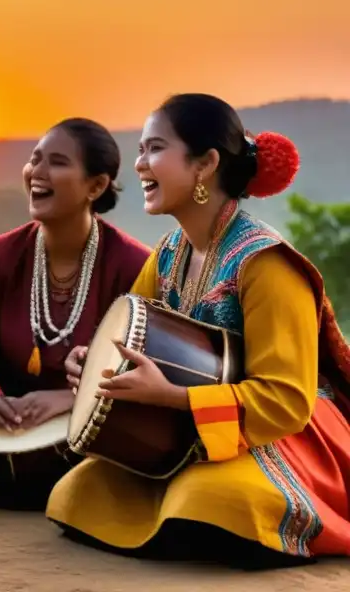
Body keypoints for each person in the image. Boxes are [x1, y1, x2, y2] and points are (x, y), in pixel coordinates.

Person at [48, 93, 350, 566]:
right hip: (187, 433)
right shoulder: (169, 253)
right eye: (142, 149)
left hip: (280, 434)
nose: (141, 163)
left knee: (209, 503)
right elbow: (129, 337)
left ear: (206, 163)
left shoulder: (266, 264)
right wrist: (93, 365)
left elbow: (287, 400)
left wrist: (174, 399)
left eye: (155, 149)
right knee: (78, 494)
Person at [0, 119, 150, 510]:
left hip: (88, 439)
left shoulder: (135, 266)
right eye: (34, 159)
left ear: (95, 186)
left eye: (57, 162)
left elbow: (143, 373)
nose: (37, 173)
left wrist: (71, 398)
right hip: (3, 429)